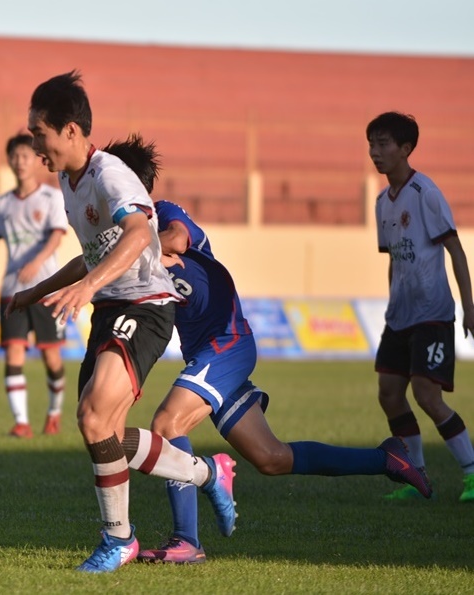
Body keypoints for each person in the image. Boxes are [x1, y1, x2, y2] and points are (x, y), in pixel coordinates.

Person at [101, 135, 432, 564]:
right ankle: (386, 458)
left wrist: (144, 250)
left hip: (228, 344)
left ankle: (187, 541)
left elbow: (179, 239)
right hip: (209, 354)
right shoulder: (125, 240)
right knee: (272, 458)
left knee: (166, 423)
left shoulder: (162, 216)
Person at [6, 71, 237, 574]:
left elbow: (137, 235)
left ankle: (119, 539)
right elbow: (93, 255)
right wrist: (36, 291)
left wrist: (87, 288)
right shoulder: (69, 184)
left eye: (38, 132)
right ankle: (207, 473)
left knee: (93, 417)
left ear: (70, 130)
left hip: (145, 306)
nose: (33, 144)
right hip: (110, 310)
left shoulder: (110, 175)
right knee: (101, 430)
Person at [367, 112, 474, 502]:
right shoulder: (382, 202)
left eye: (383, 144)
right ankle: (418, 475)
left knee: (427, 395)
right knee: (390, 392)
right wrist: (392, 299)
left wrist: (469, 305)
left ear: (406, 148)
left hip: (432, 312)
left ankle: (472, 472)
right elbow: (395, 257)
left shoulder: (425, 193)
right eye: (371, 144)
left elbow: (456, 250)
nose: (375, 153)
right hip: (401, 315)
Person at [0, 133, 69, 438]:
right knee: (13, 355)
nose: (20, 161)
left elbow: (56, 236)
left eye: (26, 156)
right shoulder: (1, 205)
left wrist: (37, 262)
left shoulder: (51, 198)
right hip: (12, 291)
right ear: (8, 161)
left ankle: (53, 411)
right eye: (15, 156)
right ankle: (22, 422)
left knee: (51, 359)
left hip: (45, 290)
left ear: (37, 160)